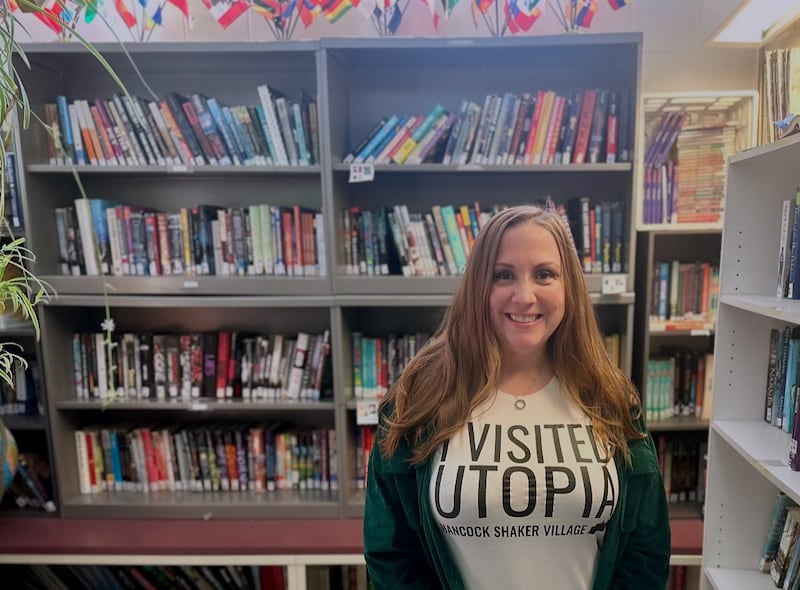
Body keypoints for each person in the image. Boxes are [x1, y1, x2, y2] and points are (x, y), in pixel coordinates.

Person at [364, 205, 670, 590]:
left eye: (544, 274)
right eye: (503, 275)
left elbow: (644, 549)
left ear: (569, 287)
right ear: (478, 287)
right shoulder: (417, 401)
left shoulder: (612, 399)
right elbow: (392, 556)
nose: (524, 296)